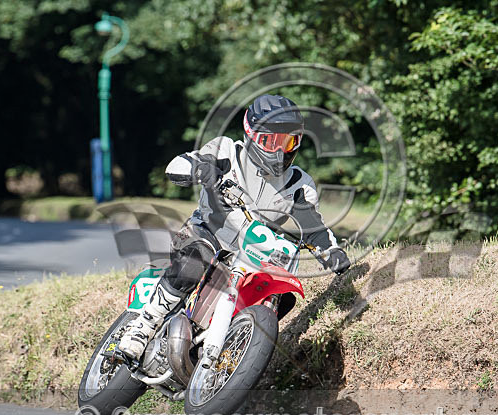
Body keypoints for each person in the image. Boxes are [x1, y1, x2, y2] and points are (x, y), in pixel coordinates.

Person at [115, 94, 350, 361]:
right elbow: (177, 165)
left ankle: (236, 351)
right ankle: (143, 327)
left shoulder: (299, 183)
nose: (279, 150)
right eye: (270, 141)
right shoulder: (227, 151)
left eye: (288, 141)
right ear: (251, 135)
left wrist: (332, 252)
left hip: (254, 251)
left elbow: (313, 227)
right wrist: (201, 168)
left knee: (282, 294)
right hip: (207, 232)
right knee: (196, 260)